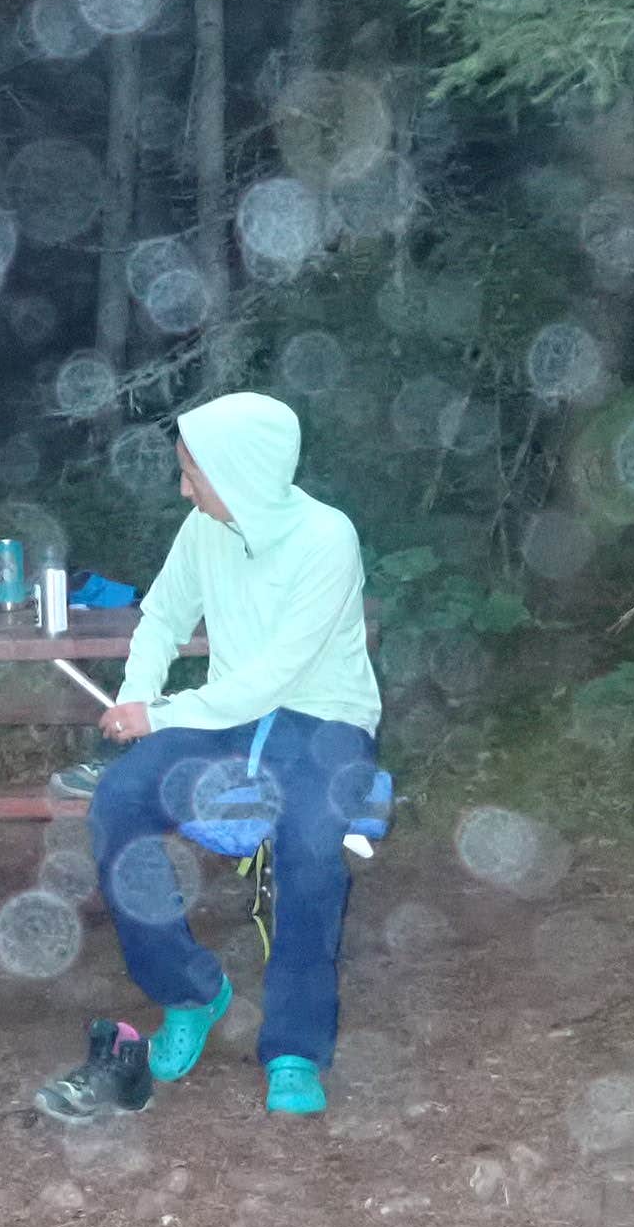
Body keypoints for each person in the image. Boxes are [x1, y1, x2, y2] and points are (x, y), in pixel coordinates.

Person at [33, 392, 380, 1122]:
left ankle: (294, 1044)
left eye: (195, 473)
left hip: (325, 719)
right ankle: (189, 989)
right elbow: (161, 616)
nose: (184, 488)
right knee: (119, 802)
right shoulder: (204, 530)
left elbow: (279, 673)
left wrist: (159, 714)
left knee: (311, 844)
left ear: (243, 473)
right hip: (228, 716)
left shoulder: (327, 538)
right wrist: (137, 701)